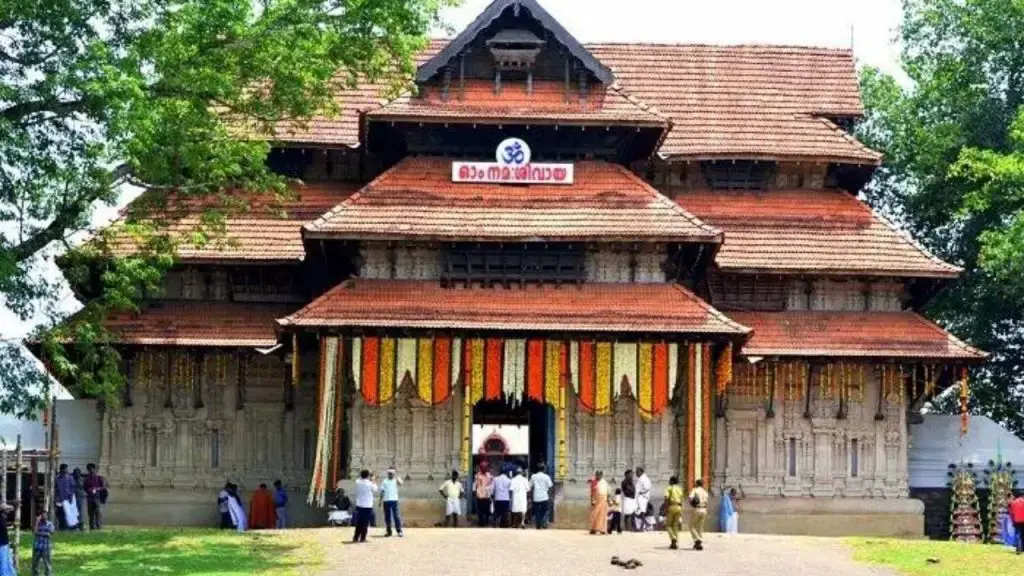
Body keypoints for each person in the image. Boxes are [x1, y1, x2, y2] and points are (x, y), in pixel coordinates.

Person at [352, 469, 377, 543]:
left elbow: (359, 478)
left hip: (359, 505)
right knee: (365, 523)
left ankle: (356, 537)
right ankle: (363, 538)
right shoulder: (370, 483)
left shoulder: (358, 482)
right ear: (368, 476)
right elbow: (375, 489)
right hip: (367, 506)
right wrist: (373, 480)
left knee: (359, 522)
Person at [529, 463, 553, 529]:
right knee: (545, 511)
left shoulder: (533, 476)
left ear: (537, 469)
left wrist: (530, 497)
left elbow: (529, 486)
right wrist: (550, 496)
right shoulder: (547, 477)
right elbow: (550, 487)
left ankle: (538, 525)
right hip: (544, 497)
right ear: (544, 469)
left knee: (537, 512)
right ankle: (544, 523)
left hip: (536, 497)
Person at [380, 468, 404, 537]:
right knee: (387, 517)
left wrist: (397, 478)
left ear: (394, 474)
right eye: (389, 473)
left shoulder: (396, 480)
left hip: (394, 500)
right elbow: (382, 491)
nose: (390, 475)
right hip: (386, 501)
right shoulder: (385, 481)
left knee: (396, 516)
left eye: (391, 473)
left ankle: (399, 530)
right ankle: (389, 531)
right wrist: (380, 500)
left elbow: (401, 484)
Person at [687, 479, 709, 551]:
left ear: (696, 484)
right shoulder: (705, 492)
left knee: (691, 526)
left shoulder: (695, 490)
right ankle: (697, 543)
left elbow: (690, 498)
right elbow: (706, 501)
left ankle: (697, 539)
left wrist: (691, 504)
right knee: (700, 527)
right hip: (704, 509)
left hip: (697, 509)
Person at [54, 464, 78, 531]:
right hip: (60, 498)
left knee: (70, 513)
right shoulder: (57, 478)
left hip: (68, 498)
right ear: (62, 469)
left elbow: (73, 488)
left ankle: (71, 526)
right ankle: (62, 527)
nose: (67, 470)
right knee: (61, 513)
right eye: (65, 469)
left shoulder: (70, 478)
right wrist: (56, 497)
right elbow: (55, 488)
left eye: (67, 469)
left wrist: (71, 496)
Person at [84, 463, 107, 531]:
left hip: (97, 498)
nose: (90, 470)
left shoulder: (99, 478)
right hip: (90, 498)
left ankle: (98, 526)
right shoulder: (87, 479)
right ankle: (92, 527)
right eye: (89, 469)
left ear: (94, 469)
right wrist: (89, 490)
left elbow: (103, 487)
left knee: (98, 512)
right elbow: (85, 488)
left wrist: (96, 489)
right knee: (90, 513)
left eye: (91, 469)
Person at [664, 476, 684, 549]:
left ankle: (673, 538)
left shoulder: (669, 488)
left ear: (671, 481)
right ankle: (675, 542)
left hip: (672, 506)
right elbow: (682, 499)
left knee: (668, 525)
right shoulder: (680, 489)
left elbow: (666, 498)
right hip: (679, 507)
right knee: (675, 525)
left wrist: (666, 508)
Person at [31, 511, 54, 576]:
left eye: (45, 515)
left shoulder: (50, 524)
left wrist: (39, 533)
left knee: (47, 564)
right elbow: (34, 532)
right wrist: (37, 522)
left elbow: (50, 534)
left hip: (46, 547)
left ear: (47, 516)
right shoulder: (37, 524)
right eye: (42, 515)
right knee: (34, 564)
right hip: (37, 547)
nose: (44, 516)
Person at [472, 462, 493, 527]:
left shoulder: (490, 475)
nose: (484, 468)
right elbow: (474, 484)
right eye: (482, 467)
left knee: (487, 510)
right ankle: (481, 522)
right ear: (480, 468)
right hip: (480, 495)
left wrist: (491, 493)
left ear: (487, 468)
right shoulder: (477, 475)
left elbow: (492, 485)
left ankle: (486, 521)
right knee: (480, 510)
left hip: (487, 496)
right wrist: (474, 491)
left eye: (485, 467)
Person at [588, 470, 609, 535]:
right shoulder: (594, 482)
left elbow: (608, 492)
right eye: (597, 474)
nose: (598, 476)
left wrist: (608, 500)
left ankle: (603, 530)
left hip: (603, 500)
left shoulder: (604, 482)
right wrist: (592, 500)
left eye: (599, 475)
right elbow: (592, 493)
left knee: (603, 515)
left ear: (601, 475)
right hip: (597, 500)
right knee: (595, 515)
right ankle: (593, 529)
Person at [634, 467, 652, 532]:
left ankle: (644, 526)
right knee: (639, 513)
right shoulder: (641, 478)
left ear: (641, 472)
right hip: (639, 497)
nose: (636, 473)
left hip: (642, 497)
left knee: (641, 513)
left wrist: (642, 492)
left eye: (637, 472)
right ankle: (646, 525)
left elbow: (648, 487)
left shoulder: (644, 478)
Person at [0, 504, 14, 576]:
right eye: (6, 510)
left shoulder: (2, 519)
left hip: (5, 544)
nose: (8, 511)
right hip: (2, 545)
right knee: (4, 563)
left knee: (8, 562)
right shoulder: (1, 519)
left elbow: (11, 508)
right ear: (3, 511)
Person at [1009, 490, 1024, 555]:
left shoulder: (1013, 502)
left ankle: (1019, 550)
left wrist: (1012, 521)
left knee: (1018, 535)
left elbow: (1011, 513)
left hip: (1017, 521)